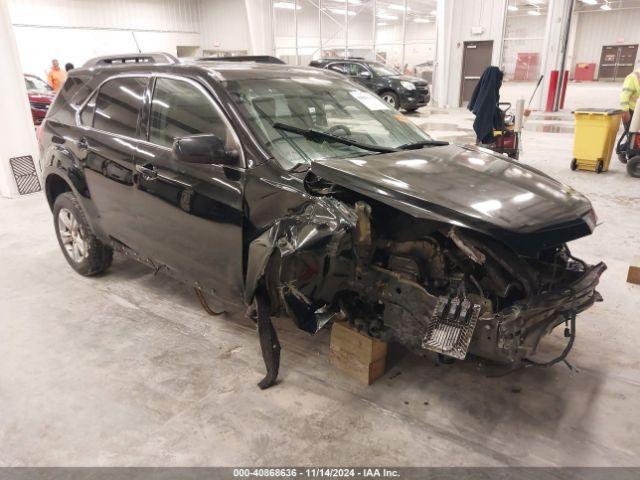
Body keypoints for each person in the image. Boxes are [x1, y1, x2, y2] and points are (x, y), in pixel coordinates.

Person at [467, 66, 504, 145]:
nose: (501, 83)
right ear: (496, 81)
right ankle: (496, 143)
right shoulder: (489, 96)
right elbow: (490, 120)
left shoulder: (485, 91)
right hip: (489, 137)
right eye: (500, 81)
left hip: (485, 133)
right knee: (500, 129)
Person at [617, 68, 639, 163]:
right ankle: (624, 151)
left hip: (638, 112)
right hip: (631, 112)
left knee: (635, 137)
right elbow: (624, 96)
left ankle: (625, 150)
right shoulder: (632, 78)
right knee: (632, 136)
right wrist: (625, 112)